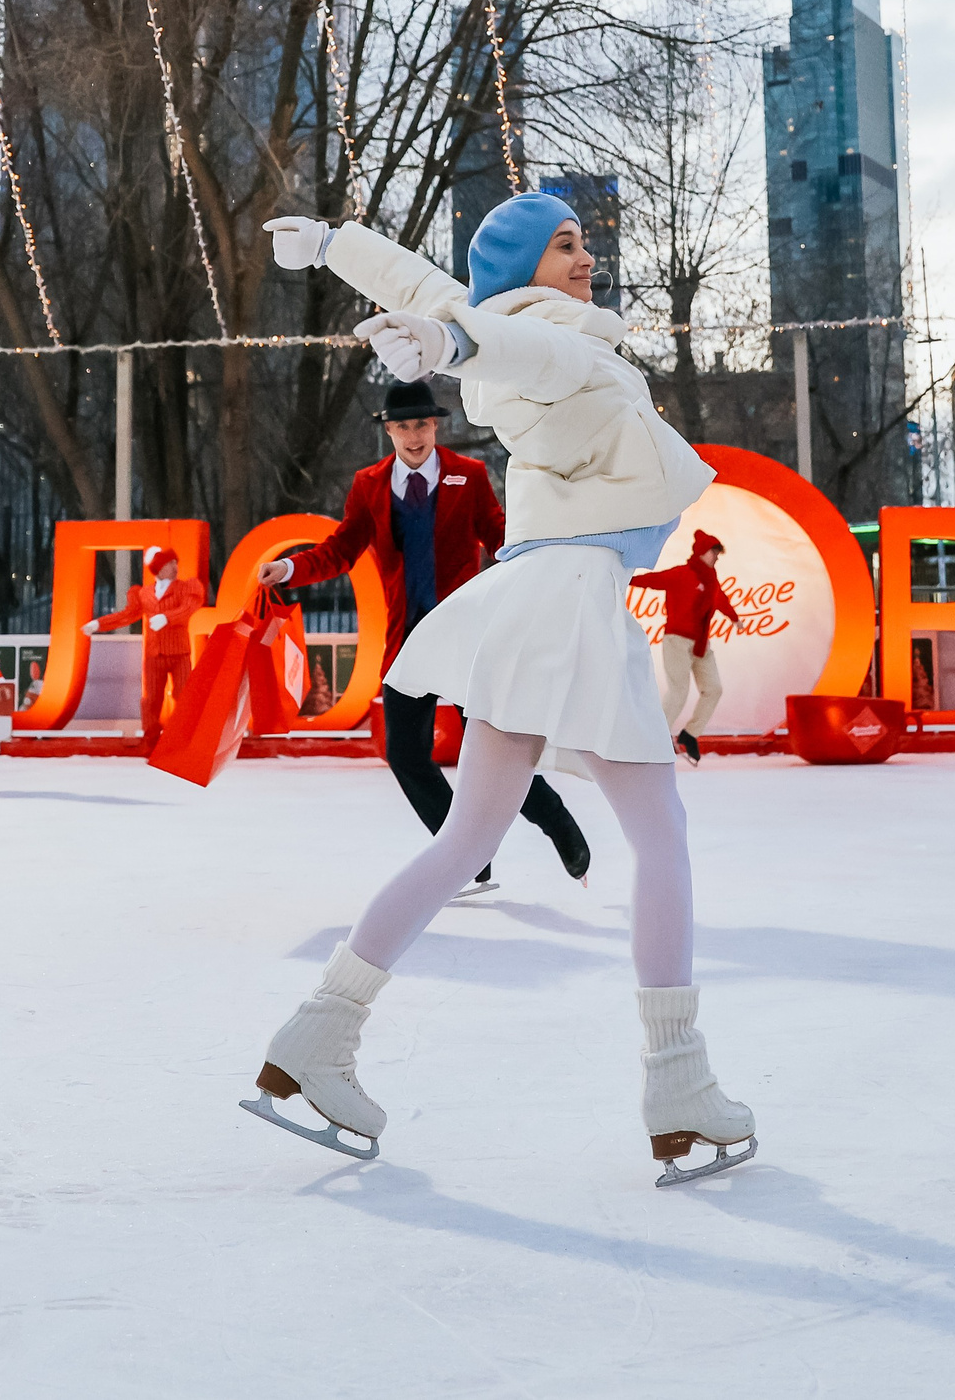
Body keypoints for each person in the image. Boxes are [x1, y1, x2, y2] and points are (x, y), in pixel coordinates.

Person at [241, 191, 756, 1185]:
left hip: (533, 592)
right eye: (566, 244)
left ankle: (316, 1034)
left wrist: (337, 247)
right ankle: (678, 1081)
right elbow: (513, 344)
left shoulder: (519, 324)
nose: (585, 256)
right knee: (658, 837)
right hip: (564, 598)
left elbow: (449, 300)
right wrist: (447, 340)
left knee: (468, 838)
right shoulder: (552, 342)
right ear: (527, 268)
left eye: (585, 242)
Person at [257, 379, 591, 887]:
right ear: (388, 430)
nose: (414, 435)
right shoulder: (369, 484)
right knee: (405, 753)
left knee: (496, 751)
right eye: (403, 426)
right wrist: (288, 570)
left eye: (423, 424)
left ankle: (556, 822)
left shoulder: (468, 475)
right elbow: (340, 550)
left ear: (436, 426)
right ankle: (468, 856)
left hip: (465, 638)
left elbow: (501, 539)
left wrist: (547, 564)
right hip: (406, 643)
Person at [629, 531, 743, 764]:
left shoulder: (711, 580)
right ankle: (653, 739)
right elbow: (651, 581)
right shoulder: (682, 574)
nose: (717, 558)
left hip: (701, 645)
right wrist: (623, 579)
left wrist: (734, 618)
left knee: (714, 689)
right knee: (679, 691)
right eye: (714, 552)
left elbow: (720, 599)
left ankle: (690, 735)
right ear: (703, 551)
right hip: (677, 641)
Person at [83, 545, 208, 750]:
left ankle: (186, 737)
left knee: (184, 695)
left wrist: (167, 618)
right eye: (170, 563)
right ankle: (151, 740)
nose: (175, 567)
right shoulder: (144, 593)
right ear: (158, 567)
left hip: (179, 654)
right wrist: (99, 624)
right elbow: (127, 615)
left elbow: (188, 608)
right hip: (154, 655)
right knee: (151, 700)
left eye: (176, 562)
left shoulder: (186, 587)